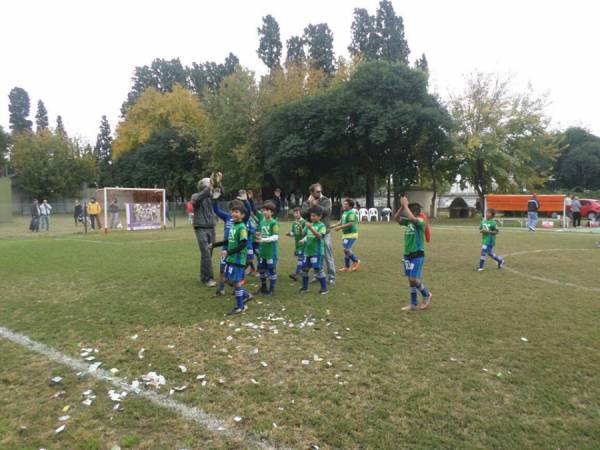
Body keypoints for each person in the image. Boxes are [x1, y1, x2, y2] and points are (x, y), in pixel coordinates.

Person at [210, 202, 252, 315]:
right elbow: (229, 241)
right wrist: (215, 244)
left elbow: (243, 244)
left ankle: (240, 307)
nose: (233, 213)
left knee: (237, 283)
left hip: (238, 260)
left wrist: (228, 252)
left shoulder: (242, 227)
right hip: (231, 259)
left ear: (242, 215)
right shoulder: (233, 225)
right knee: (227, 279)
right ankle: (246, 294)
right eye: (232, 211)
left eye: (236, 212)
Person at [394, 196, 433, 311]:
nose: (406, 213)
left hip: (417, 254)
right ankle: (413, 304)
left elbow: (412, 218)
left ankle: (426, 294)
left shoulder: (420, 221)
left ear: (415, 212)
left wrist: (405, 205)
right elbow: (396, 218)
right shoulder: (408, 222)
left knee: (413, 278)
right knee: (410, 280)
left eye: (408, 210)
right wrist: (402, 207)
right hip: (407, 254)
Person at [301, 183, 335, 284]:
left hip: (324, 232)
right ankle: (317, 275)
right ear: (311, 192)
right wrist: (311, 206)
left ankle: (332, 276)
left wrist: (315, 205)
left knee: (327, 255)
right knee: (314, 255)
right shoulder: (307, 202)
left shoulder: (325, 200)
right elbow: (303, 214)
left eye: (320, 191)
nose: (320, 193)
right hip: (311, 233)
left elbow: (327, 212)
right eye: (317, 191)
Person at [191, 176, 218, 287]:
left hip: (211, 226)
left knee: (208, 253)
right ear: (203, 186)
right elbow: (199, 198)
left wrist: (218, 183)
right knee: (206, 253)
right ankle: (208, 278)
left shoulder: (211, 196)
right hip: (200, 227)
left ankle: (203, 276)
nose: (210, 187)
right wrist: (208, 188)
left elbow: (220, 193)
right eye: (209, 184)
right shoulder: (196, 196)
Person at [299, 205, 329, 295]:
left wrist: (311, 228)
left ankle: (324, 288)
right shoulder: (309, 224)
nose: (312, 217)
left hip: (317, 252)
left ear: (320, 216)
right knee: (304, 269)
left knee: (318, 269)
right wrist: (301, 228)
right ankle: (305, 288)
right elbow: (303, 234)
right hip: (307, 252)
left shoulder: (322, 226)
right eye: (311, 215)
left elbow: (320, 236)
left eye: (314, 216)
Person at [254, 200, 279, 295]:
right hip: (262, 251)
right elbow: (260, 233)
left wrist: (263, 240)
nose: (264, 212)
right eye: (263, 210)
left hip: (270, 252)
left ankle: (271, 290)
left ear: (272, 212)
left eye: (267, 210)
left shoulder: (274, 223)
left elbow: (275, 237)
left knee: (271, 270)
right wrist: (257, 235)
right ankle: (263, 288)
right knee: (261, 270)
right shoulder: (262, 222)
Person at [212, 196, 235, 296]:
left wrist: (246, 201)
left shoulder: (242, 220)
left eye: (235, 210)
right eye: (232, 210)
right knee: (222, 269)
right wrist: (215, 199)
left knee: (234, 270)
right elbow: (216, 209)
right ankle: (221, 289)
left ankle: (237, 288)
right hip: (225, 247)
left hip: (235, 249)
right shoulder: (227, 217)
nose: (233, 213)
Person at [332, 198, 361, 272]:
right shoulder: (345, 212)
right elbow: (341, 221)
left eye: (346, 204)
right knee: (346, 251)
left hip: (351, 234)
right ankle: (347, 267)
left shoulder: (351, 213)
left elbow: (350, 223)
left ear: (350, 206)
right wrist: (333, 225)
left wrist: (339, 228)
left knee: (346, 249)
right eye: (344, 204)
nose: (344, 205)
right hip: (346, 235)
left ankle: (356, 261)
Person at [286, 207, 306, 281]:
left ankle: (296, 273)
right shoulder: (294, 223)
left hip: (303, 243)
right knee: (301, 259)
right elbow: (293, 232)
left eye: (297, 213)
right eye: (294, 213)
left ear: (300, 213)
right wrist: (289, 234)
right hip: (297, 243)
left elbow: (305, 233)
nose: (295, 214)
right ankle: (302, 272)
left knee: (300, 259)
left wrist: (301, 229)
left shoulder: (304, 222)